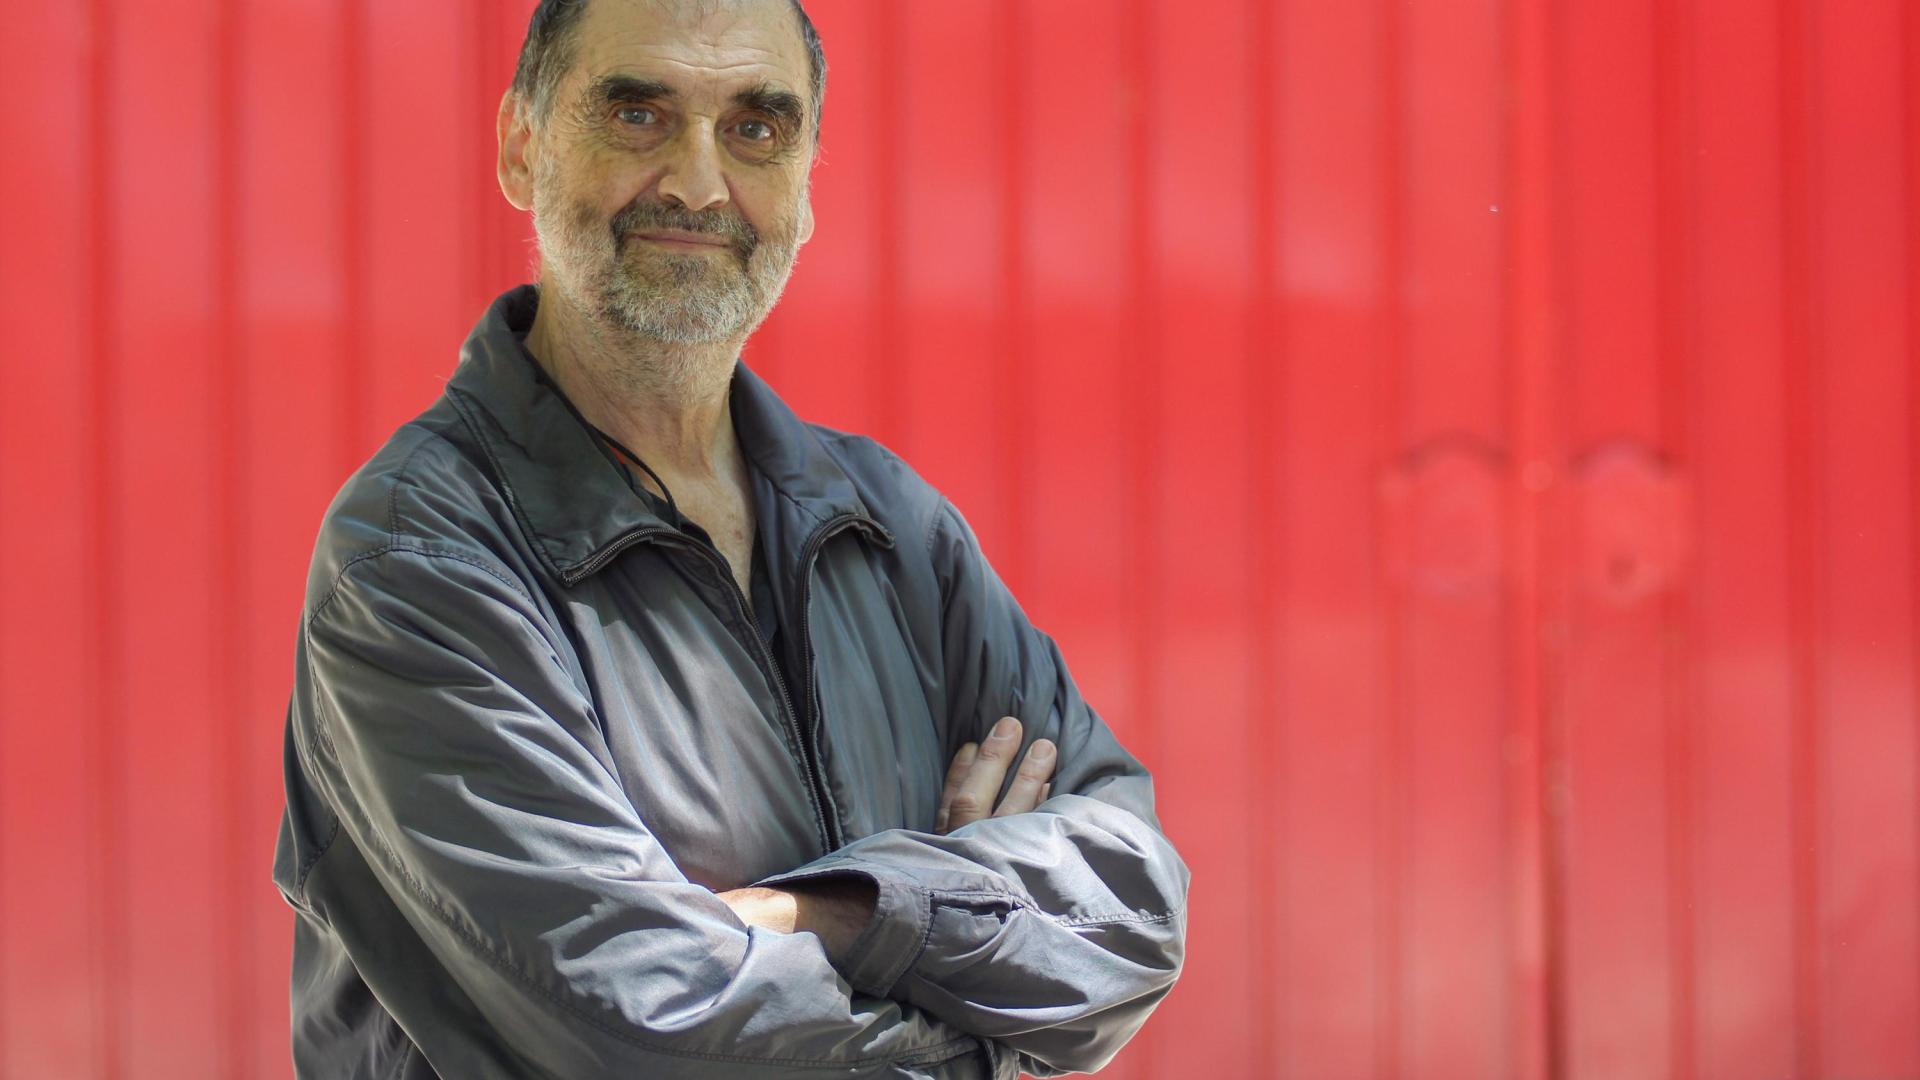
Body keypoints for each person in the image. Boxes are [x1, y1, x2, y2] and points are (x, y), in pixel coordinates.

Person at [269, 1, 1190, 1076]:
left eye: (755, 127)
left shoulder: (890, 526)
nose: (698, 186)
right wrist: (992, 995)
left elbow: (1135, 898)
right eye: (637, 113)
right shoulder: (416, 563)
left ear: (803, 183)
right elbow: (648, 1033)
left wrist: (842, 913)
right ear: (522, 147)